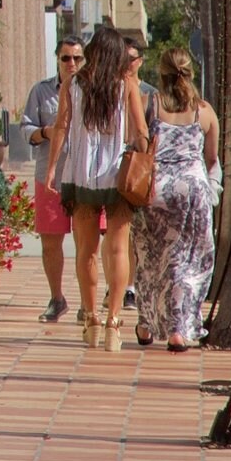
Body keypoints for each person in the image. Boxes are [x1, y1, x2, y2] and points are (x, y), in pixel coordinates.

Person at [45, 23, 148, 352]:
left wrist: (51, 169)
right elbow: (140, 130)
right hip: (117, 175)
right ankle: (114, 324)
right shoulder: (126, 84)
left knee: (86, 250)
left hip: (82, 176)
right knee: (118, 249)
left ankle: (90, 319)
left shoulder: (72, 83)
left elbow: (61, 126)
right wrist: (145, 158)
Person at [132, 48, 220, 351]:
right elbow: (211, 159)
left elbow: (137, 145)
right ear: (190, 72)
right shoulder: (204, 111)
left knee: (150, 259)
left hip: (155, 192)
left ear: (161, 73)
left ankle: (145, 324)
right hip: (192, 193)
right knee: (188, 262)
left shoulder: (149, 105)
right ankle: (178, 330)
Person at [20, 37, 84, 322]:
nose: (72, 64)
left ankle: (88, 303)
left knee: (87, 243)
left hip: (84, 177)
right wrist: (47, 132)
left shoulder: (92, 92)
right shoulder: (41, 91)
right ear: (57, 59)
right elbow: (26, 128)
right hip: (50, 178)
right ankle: (57, 298)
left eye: (77, 58)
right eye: (66, 58)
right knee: (50, 242)